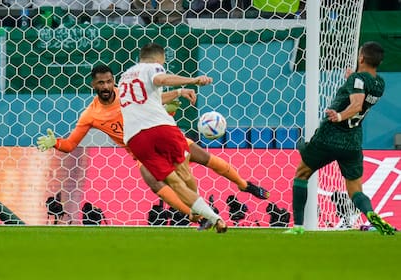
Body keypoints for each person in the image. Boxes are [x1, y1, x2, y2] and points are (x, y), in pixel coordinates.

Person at [37, 63, 269, 229]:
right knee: (155, 183)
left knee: (204, 158)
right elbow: (70, 144)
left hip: (160, 136)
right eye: (101, 83)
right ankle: (197, 215)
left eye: (109, 81)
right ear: (94, 85)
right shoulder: (91, 114)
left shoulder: (126, 94)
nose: (106, 86)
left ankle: (243, 184)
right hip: (141, 152)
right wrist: (54, 143)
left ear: (114, 81)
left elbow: (155, 98)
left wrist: (179, 91)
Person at [284, 41, 395, 235]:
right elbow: (363, 90)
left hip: (330, 137)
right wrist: (353, 80)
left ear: (361, 57)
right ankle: (371, 215)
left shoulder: (357, 80)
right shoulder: (379, 83)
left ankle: (298, 227)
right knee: (355, 189)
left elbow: (357, 105)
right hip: (352, 142)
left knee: (301, 174)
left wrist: (339, 116)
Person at [118, 43, 229, 232]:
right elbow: (161, 79)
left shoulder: (124, 78)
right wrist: (193, 80)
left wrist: (178, 93)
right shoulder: (153, 67)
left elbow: (151, 100)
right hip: (161, 128)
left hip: (135, 139)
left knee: (174, 183)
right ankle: (202, 209)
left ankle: (209, 217)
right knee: (184, 173)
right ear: (160, 58)